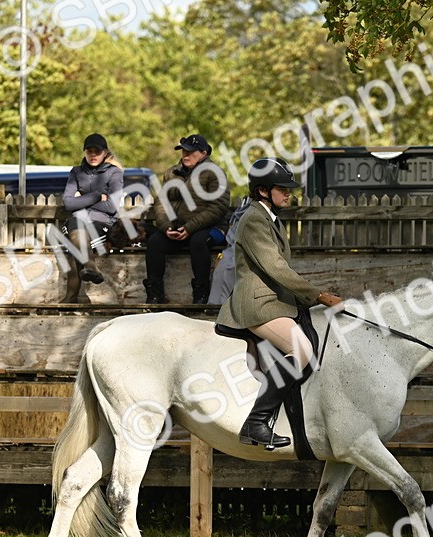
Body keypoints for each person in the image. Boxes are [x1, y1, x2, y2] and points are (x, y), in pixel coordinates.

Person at [216, 158, 343, 449]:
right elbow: (277, 269)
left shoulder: (270, 219)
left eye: (289, 190)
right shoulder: (252, 220)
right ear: (262, 191)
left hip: (275, 300)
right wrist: (319, 296)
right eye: (282, 189)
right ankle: (256, 422)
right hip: (257, 304)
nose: (288, 194)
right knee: (301, 350)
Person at [144, 134, 230, 304]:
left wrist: (190, 227)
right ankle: (155, 294)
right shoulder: (171, 173)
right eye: (183, 151)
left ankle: (201, 293)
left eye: (191, 151)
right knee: (154, 242)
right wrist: (166, 227)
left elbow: (218, 207)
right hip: (179, 229)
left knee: (198, 241)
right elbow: (161, 204)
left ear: (204, 153)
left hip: (212, 229)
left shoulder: (215, 173)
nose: (185, 155)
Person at [61, 133, 123, 302]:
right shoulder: (76, 172)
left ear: (105, 152)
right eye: (89, 151)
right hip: (77, 221)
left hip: (101, 223)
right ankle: (89, 266)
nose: (93, 155)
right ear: (85, 152)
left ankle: (71, 297)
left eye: (97, 151)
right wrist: (97, 195)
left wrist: (81, 199)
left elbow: (112, 207)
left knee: (75, 243)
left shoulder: (114, 173)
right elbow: (68, 203)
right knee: (75, 228)